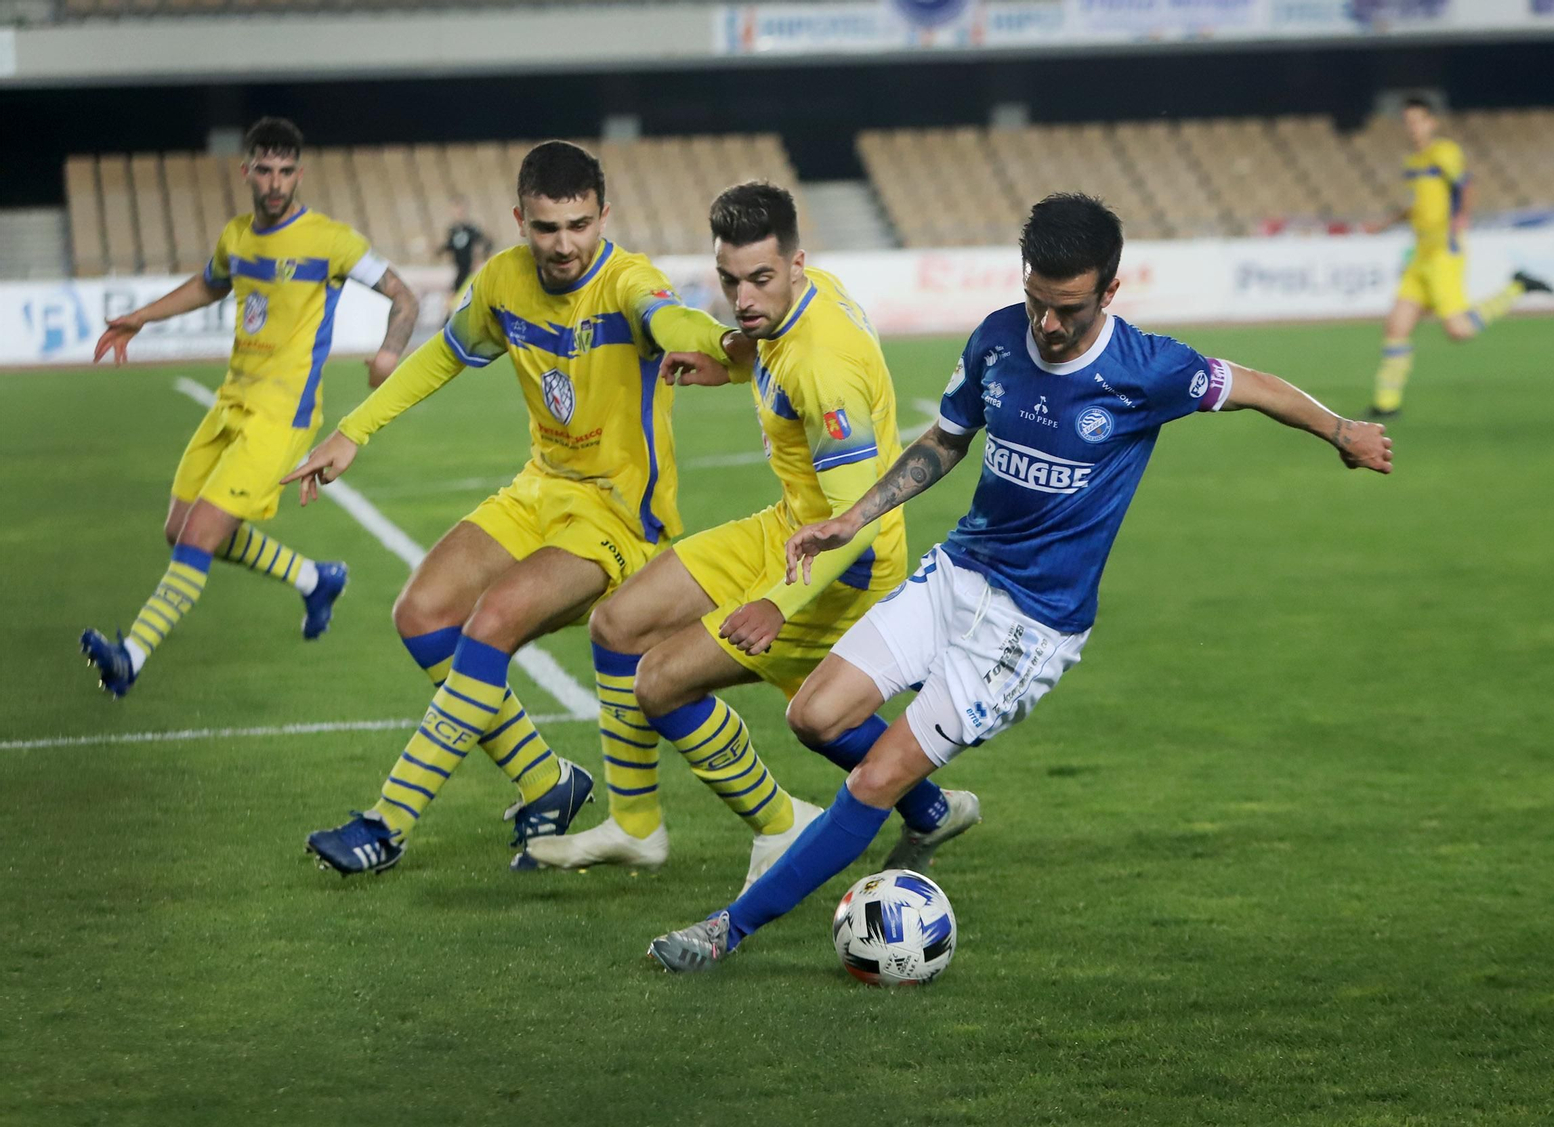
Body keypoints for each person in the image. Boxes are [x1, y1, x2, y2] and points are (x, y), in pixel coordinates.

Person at [646, 192, 1395, 972]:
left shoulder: (1147, 369)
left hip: (1029, 626)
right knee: (813, 714)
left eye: (1068, 309)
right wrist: (854, 516)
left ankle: (727, 929)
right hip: (958, 573)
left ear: (1109, 291)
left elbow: (1256, 385)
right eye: (1037, 300)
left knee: (874, 776)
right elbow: (945, 440)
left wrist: (1342, 430)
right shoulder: (998, 338)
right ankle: (932, 812)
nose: (1048, 324)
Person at [290, 141, 749, 875]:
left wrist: (724, 343)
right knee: (421, 614)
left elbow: (673, 322)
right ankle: (546, 781)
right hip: (540, 488)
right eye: (546, 228)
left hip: (616, 516)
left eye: (579, 225)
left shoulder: (630, 283)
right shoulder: (503, 281)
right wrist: (353, 430)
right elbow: (443, 354)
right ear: (519, 220)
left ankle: (387, 823)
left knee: (492, 620)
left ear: (604, 216)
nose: (564, 245)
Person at [522, 182, 978, 893]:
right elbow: (768, 347)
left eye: (759, 278)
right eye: (729, 279)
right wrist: (729, 364)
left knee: (662, 682)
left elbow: (857, 524)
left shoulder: (823, 366)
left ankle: (785, 822)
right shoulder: (806, 296)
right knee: (617, 622)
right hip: (788, 526)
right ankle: (636, 826)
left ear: (796, 264)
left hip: (842, 563)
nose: (741, 298)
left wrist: (776, 603)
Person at [80, 116, 418, 698]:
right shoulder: (237, 236)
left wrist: (389, 353)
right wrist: (142, 316)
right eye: (264, 169)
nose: (275, 182)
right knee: (179, 530)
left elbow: (403, 297)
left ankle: (130, 656)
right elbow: (211, 283)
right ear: (247, 172)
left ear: (299, 173)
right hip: (231, 403)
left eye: (286, 170)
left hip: (282, 415)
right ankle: (313, 579)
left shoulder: (330, 240)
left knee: (198, 536)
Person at [1366, 97, 1553, 419]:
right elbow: (1417, 206)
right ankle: (1386, 404)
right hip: (1421, 254)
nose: (1412, 128)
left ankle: (1517, 288)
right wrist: (1385, 224)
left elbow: (1466, 185)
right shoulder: (1413, 162)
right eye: (1407, 121)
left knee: (1459, 331)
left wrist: (1461, 218)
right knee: (1396, 326)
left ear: (1431, 122)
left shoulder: (1445, 152)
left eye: (1417, 120)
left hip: (1444, 252)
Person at [439, 195, 491, 305]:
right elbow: (449, 247)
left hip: (471, 270)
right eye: (455, 208)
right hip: (460, 270)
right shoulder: (452, 230)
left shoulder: (472, 229)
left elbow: (485, 243)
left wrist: (479, 258)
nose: (458, 211)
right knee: (452, 298)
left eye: (460, 208)